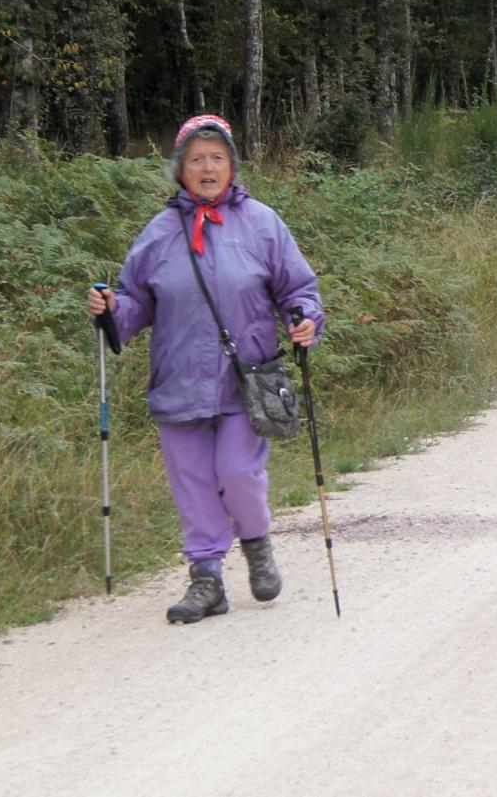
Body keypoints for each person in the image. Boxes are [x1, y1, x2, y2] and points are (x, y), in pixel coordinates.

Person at [86, 114, 323, 625]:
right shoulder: (158, 233)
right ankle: (206, 579)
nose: (208, 167)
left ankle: (257, 547)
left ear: (233, 166)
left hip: (247, 380)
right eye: (197, 159)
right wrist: (110, 309)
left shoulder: (262, 223)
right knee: (192, 482)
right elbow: (134, 303)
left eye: (217, 157)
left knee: (238, 472)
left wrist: (304, 321)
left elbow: (297, 290)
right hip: (179, 381)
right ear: (181, 170)